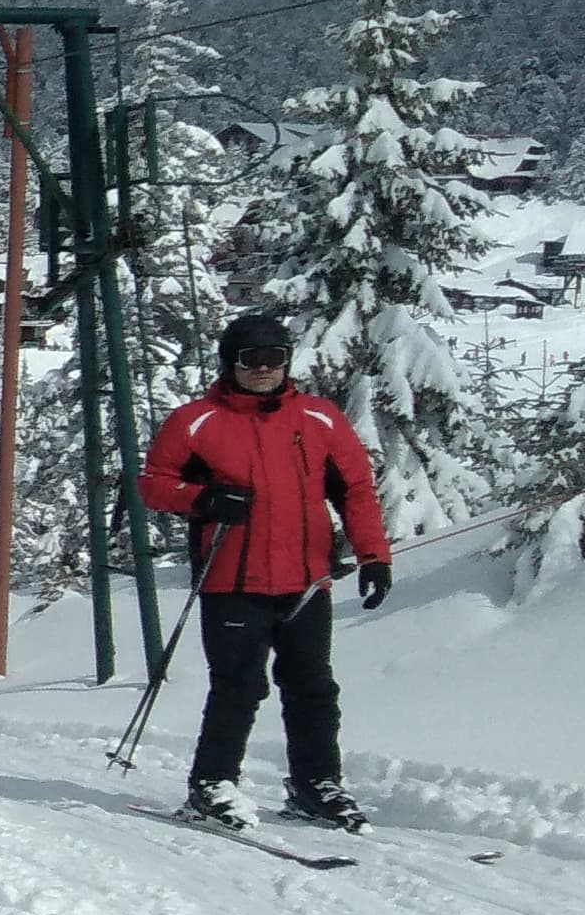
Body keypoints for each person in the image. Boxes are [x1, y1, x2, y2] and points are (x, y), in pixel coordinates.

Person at [138, 310, 394, 830]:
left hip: (305, 581)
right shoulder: (195, 421)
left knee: (313, 687)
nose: (262, 369)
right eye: (250, 359)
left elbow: (356, 490)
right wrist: (205, 498)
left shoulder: (319, 418)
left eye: (274, 358)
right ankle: (212, 785)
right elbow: (153, 484)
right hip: (232, 579)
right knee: (239, 686)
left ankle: (315, 785)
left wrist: (374, 556)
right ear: (229, 363)